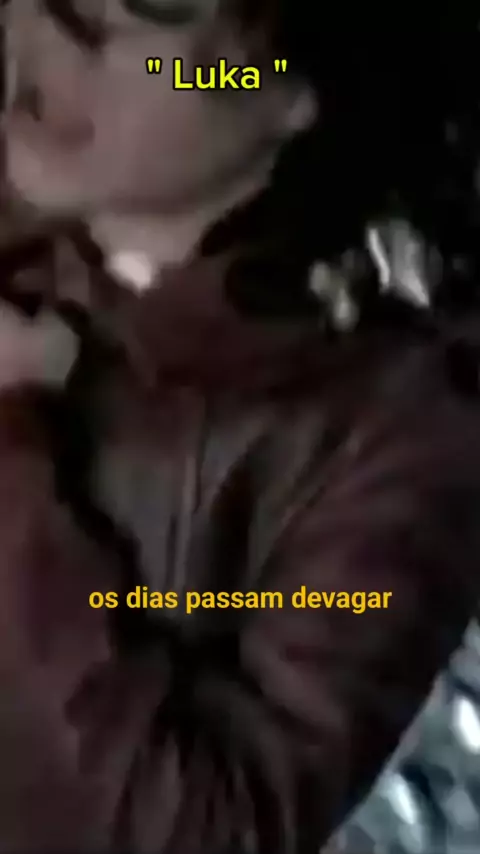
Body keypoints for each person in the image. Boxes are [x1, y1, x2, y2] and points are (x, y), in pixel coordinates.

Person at [0, 2, 480, 852]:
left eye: (153, 2)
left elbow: (203, 834)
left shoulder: (393, 438)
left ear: (294, 87)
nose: (52, 24)